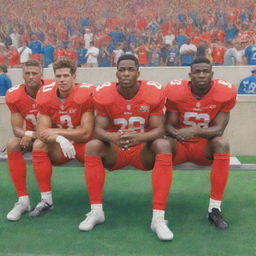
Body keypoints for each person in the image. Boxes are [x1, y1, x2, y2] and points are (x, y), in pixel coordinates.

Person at [79, 54, 173, 241]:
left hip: (142, 151)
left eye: (131, 69)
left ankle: (158, 218)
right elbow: (97, 129)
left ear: (138, 72)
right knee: (92, 146)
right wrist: (112, 137)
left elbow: (159, 129)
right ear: (117, 73)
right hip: (116, 150)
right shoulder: (105, 94)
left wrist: (140, 137)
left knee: (163, 144)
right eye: (122, 70)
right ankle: (96, 211)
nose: (126, 73)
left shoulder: (152, 93)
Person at [165, 57, 237, 230]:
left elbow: (219, 129)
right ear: (190, 75)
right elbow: (168, 125)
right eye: (197, 71)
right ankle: (158, 210)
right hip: (180, 144)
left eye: (205, 71)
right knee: (163, 144)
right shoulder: (177, 92)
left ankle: (214, 208)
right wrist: (178, 134)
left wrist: (194, 131)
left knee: (222, 143)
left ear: (212, 74)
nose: (202, 75)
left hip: (203, 147)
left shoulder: (224, 92)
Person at [29, 57, 94, 217]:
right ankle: (46, 200)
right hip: (60, 146)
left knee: (95, 148)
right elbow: (42, 132)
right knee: (38, 145)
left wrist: (58, 133)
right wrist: (59, 139)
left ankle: (96, 206)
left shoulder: (85, 93)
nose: (62, 79)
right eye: (58, 76)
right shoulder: (45, 95)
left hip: (82, 144)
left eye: (66, 76)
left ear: (74, 77)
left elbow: (86, 132)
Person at [5, 59, 45, 221]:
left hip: (52, 137)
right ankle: (23, 201)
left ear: (41, 74)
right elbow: (16, 128)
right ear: (22, 75)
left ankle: (46, 199)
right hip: (32, 136)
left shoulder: (51, 89)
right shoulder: (15, 95)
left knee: (39, 143)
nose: (31, 77)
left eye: (34, 73)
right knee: (12, 143)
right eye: (27, 73)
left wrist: (31, 135)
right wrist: (28, 134)